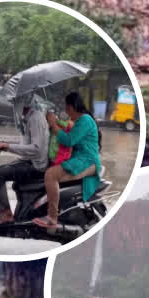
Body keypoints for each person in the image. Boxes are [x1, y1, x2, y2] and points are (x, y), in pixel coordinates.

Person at [34, 92, 101, 230]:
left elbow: (69, 140)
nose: (65, 109)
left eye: (66, 106)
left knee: (51, 174)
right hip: (80, 159)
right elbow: (67, 131)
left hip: (87, 161)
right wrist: (54, 121)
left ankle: (52, 217)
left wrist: (53, 125)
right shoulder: (79, 121)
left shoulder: (85, 120)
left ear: (71, 107)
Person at [0, 95, 49, 224]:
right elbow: (24, 144)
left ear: (24, 103)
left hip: (35, 165)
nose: (14, 106)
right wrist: (5, 144)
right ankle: (4, 210)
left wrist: (9, 146)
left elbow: (36, 148)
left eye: (16, 102)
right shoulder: (28, 118)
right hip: (29, 161)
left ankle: (5, 214)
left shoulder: (36, 119)